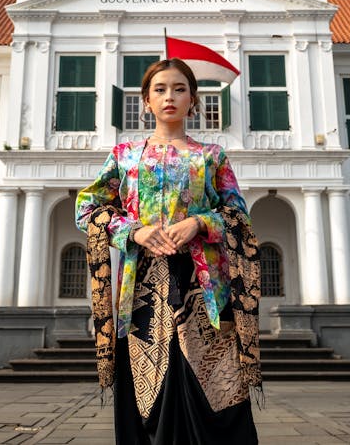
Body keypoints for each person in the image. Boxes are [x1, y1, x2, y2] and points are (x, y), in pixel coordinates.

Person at [75, 58, 261, 444]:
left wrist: (200, 223)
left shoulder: (211, 156)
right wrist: (134, 230)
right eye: (159, 89)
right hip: (142, 292)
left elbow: (238, 215)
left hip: (205, 291)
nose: (169, 96)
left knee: (216, 397)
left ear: (193, 100)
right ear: (145, 101)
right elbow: (87, 209)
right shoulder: (125, 155)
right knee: (149, 401)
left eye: (179, 89)